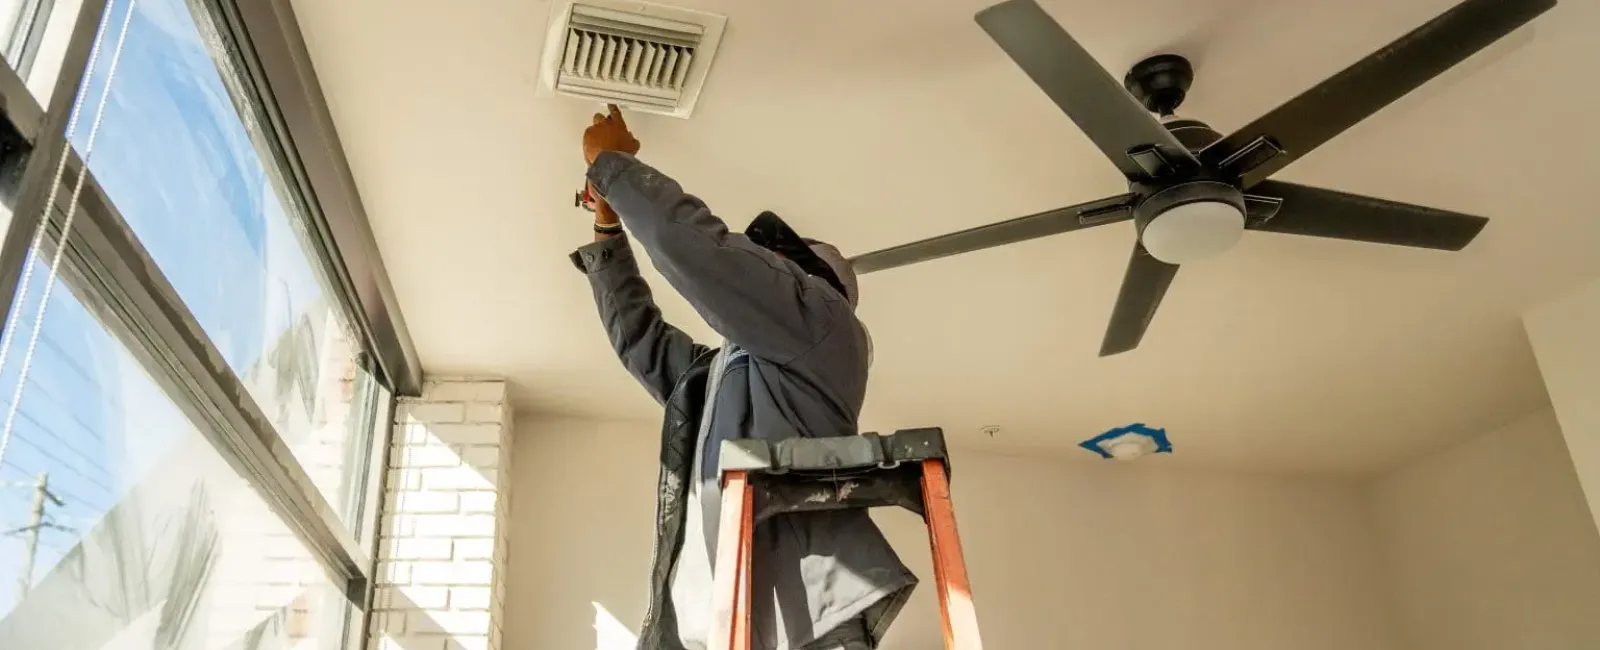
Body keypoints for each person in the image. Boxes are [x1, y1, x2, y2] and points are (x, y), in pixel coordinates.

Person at [569, 105, 917, 650]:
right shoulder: (723, 378)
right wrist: (608, 227)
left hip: (796, 627)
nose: (758, 262)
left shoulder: (823, 320)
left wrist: (613, 164)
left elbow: (707, 258)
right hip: (714, 628)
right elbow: (640, 339)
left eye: (775, 262)